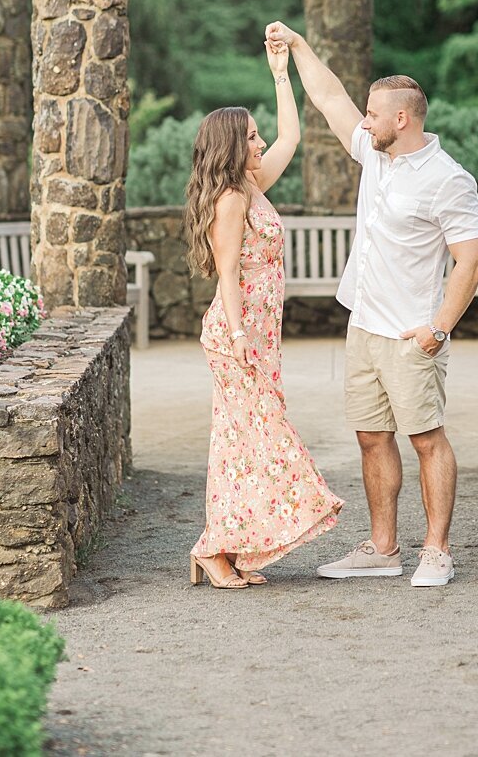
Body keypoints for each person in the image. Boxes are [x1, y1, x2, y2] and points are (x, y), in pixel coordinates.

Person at [265, 21, 478, 588]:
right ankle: (383, 548)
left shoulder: (447, 180)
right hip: (363, 325)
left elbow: (472, 260)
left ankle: (435, 551)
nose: (362, 122)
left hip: (412, 334)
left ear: (402, 119)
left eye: (373, 114)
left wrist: (438, 329)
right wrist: (298, 47)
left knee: (426, 438)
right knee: (371, 437)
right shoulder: (374, 152)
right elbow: (330, 96)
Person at [185, 39, 343, 589]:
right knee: (257, 438)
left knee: (244, 441)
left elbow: (293, 136)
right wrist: (237, 337)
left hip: (258, 334)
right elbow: (227, 273)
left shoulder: (251, 185)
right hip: (237, 334)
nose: (260, 142)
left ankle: (229, 548)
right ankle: (215, 547)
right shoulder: (230, 199)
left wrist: (280, 73)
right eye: (250, 136)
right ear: (231, 145)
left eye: (257, 134)